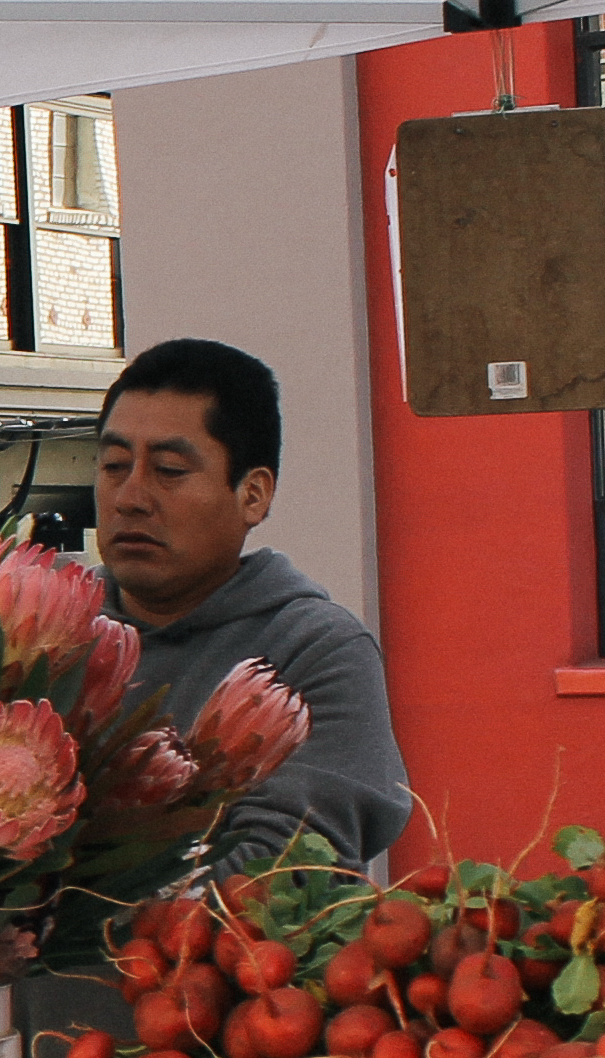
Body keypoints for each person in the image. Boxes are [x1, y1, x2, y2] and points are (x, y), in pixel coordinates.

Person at [94, 337, 411, 869]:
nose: (130, 496)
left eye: (169, 471)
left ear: (253, 495)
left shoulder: (316, 650)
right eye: (113, 465)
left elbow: (284, 869)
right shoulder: (36, 630)